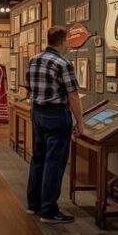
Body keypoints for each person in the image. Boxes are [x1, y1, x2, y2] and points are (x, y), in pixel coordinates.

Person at [25, 26, 85, 223]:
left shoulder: (33, 60)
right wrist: (80, 121)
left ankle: (33, 204)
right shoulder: (63, 63)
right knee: (54, 162)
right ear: (64, 41)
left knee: (38, 158)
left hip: (37, 113)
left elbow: (29, 88)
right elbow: (73, 95)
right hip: (56, 115)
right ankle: (49, 210)